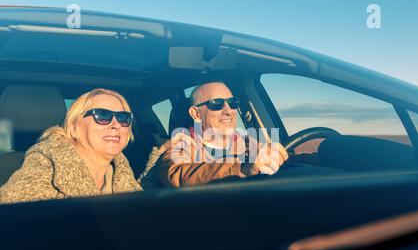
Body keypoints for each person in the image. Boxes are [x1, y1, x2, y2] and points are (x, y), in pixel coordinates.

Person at [0, 88, 142, 204]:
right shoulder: (45, 168)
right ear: (73, 127)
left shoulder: (120, 172)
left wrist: (163, 161)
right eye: (102, 115)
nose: (116, 125)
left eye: (123, 117)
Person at [140, 82, 288, 188]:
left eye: (233, 102)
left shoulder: (250, 144)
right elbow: (179, 176)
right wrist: (242, 169)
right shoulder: (181, 145)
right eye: (216, 104)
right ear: (195, 113)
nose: (228, 110)